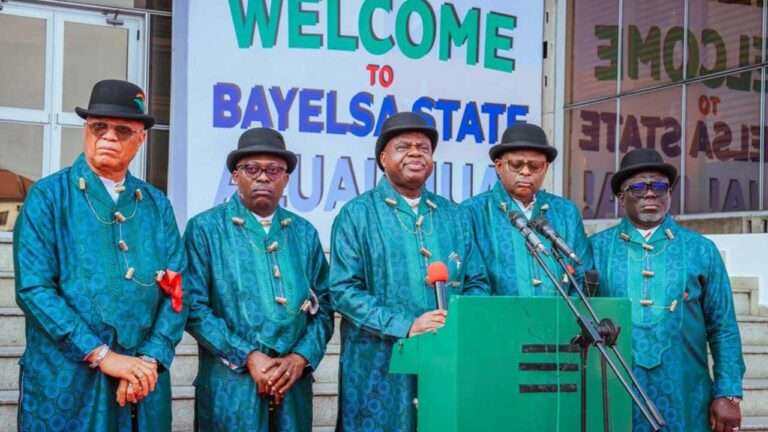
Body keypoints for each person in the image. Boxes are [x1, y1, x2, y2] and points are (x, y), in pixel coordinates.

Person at [13, 79, 187, 431]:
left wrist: (149, 360)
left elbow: (179, 291)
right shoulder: (49, 197)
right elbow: (34, 289)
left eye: (122, 130)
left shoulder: (156, 205)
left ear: (141, 139)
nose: (109, 136)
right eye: (99, 127)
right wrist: (103, 355)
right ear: (85, 131)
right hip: (68, 378)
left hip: (143, 381)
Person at [329, 112, 490, 431]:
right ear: (383, 158)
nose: (416, 153)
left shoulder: (454, 216)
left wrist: (456, 323)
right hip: (378, 365)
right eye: (404, 146)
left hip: (445, 359)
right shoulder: (356, 215)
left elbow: (477, 281)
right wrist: (407, 325)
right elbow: (343, 290)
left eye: (424, 147)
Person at [184, 128, 333, 431]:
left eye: (274, 170)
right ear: (235, 176)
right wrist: (249, 356)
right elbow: (193, 308)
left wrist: (299, 358)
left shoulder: (304, 233)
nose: (263, 177)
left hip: (293, 386)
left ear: (286, 179)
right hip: (231, 386)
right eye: (252, 169)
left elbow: (326, 306)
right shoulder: (205, 229)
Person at [590, 148, 745, 432]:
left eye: (659, 187)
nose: (650, 194)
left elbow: (723, 326)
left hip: (686, 394)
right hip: (616, 391)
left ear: (669, 194)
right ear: (621, 198)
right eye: (638, 187)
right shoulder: (596, 249)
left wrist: (728, 392)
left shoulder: (701, 250)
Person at [463, 123, 592, 295]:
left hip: (561, 312)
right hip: (496, 313)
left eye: (535, 166)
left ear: (545, 168)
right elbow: (472, 281)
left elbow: (583, 275)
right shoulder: (472, 211)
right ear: (499, 166)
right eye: (516, 164)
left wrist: (566, 312)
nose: (525, 172)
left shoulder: (566, 212)